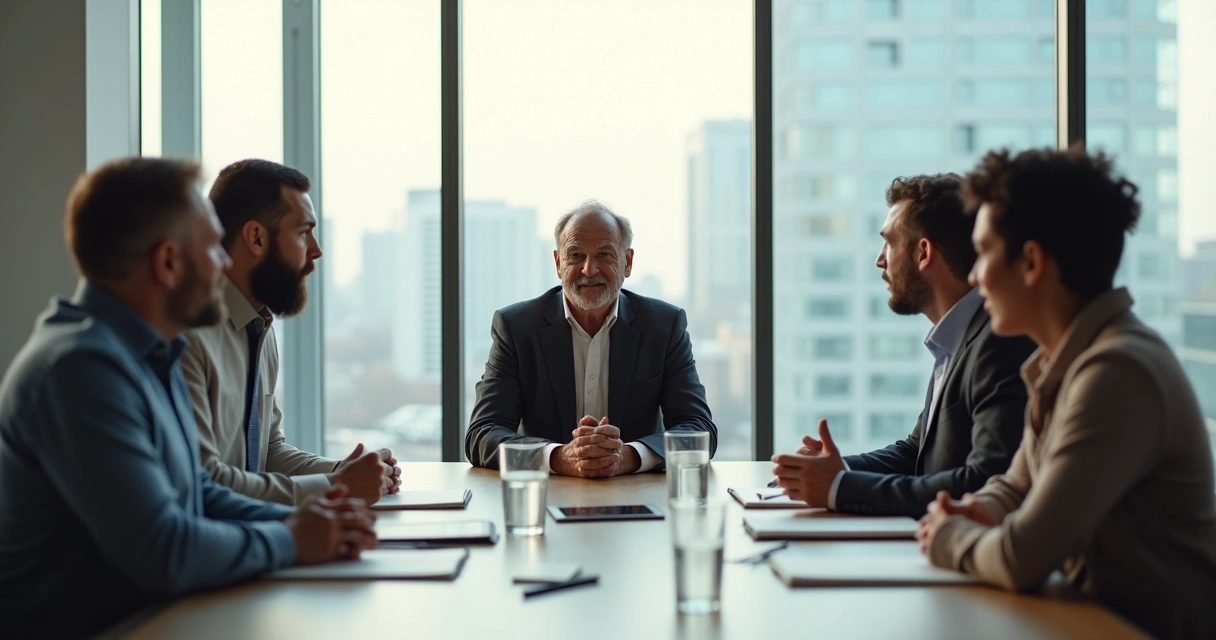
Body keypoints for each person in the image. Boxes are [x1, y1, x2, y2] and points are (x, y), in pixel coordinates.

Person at [0, 158, 377, 638]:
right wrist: (290, 537)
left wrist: (316, 520)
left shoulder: (149, 353)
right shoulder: (78, 370)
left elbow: (197, 494)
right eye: (211, 248)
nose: (225, 263)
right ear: (169, 263)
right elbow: (165, 550)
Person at [918, 147, 1216, 640]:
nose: (973, 276)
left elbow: (1021, 556)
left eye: (985, 252)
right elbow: (1016, 486)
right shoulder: (1067, 361)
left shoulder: (1116, 372)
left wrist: (950, 538)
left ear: (1032, 262)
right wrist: (980, 510)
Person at [771, 174, 1034, 517]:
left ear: (923, 252)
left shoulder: (999, 343)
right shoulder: (958, 338)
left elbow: (984, 482)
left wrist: (838, 487)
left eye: (889, 243)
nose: (881, 260)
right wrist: (829, 471)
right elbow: (916, 454)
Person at [181, 159, 400, 505]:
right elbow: (206, 483)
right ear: (256, 238)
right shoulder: (188, 337)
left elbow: (267, 452)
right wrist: (337, 485)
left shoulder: (258, 326)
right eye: (302, 233)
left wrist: (346, 470)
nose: (316, 250)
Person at [465, 201, 716, 476]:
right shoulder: (516, 328)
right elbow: (483, 433)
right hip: (546, 497)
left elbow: (698, 429)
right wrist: (559, 457)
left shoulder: (664, 326)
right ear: (559, 263)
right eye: (575, 256)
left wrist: (629, 456)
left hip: (639, 499)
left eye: (604, 255)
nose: (589, 269)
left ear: (627, 262)